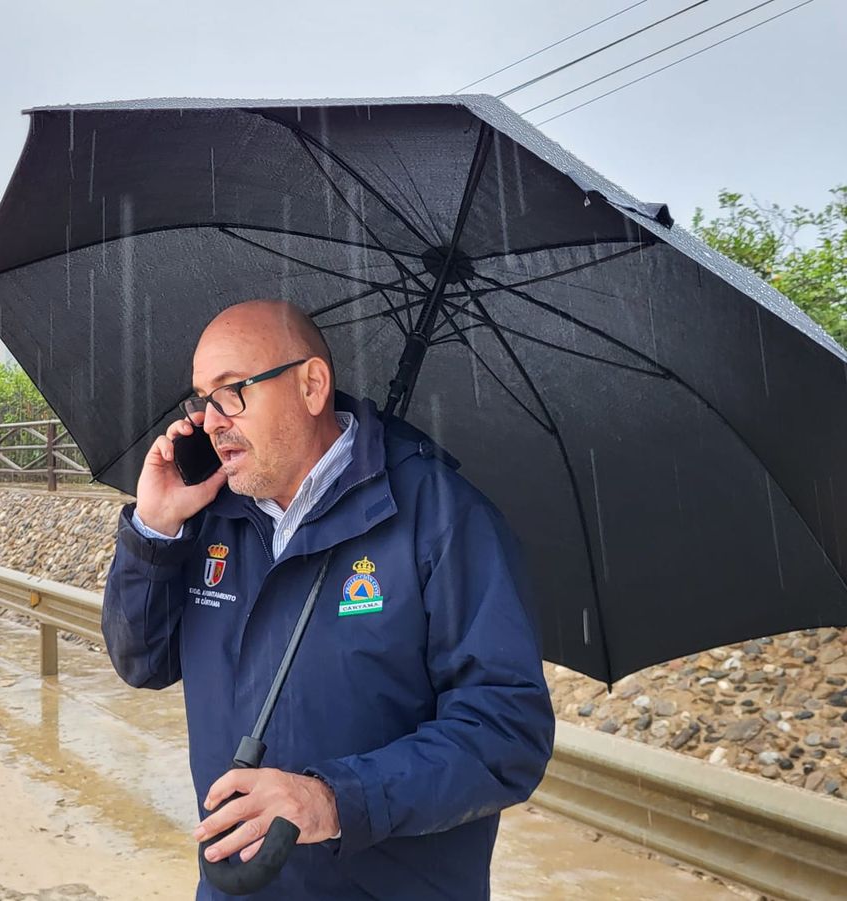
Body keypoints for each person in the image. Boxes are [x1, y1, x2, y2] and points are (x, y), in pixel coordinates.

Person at [102, 300, 555, 899]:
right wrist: (154, 534)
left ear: (312, 385)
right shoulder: (209, 515)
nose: (212, 420)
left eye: (233, 390)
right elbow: (142, 662)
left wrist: (334, 799)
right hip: (237, 888)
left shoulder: (440, 518)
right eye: (203, 399)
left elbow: (506, 732)